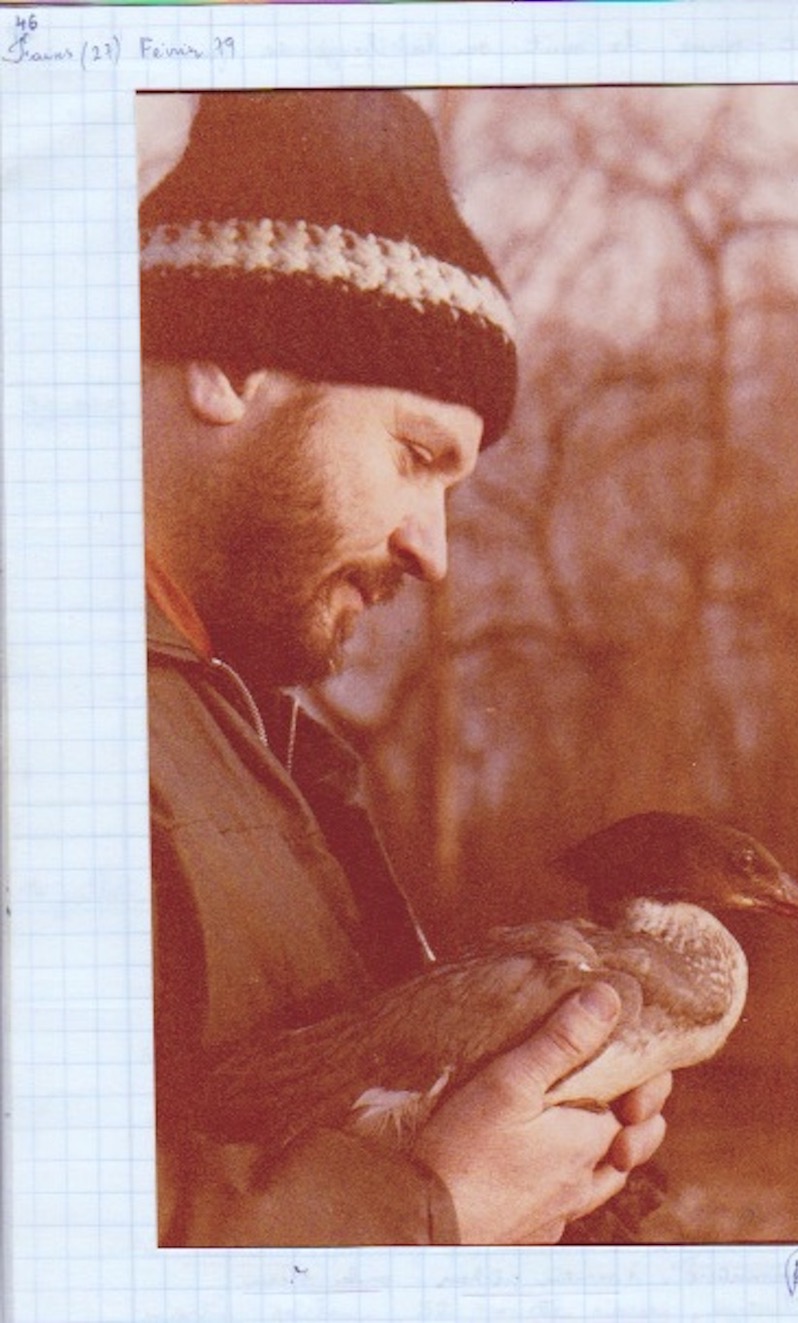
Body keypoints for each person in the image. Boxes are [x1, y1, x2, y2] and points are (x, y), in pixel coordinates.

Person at [139, 89, 672, 1247]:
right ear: (230, 364)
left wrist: (540, 1158)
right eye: (416, 455)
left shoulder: (255, 737)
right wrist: (437, 1211)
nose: (433, 551)